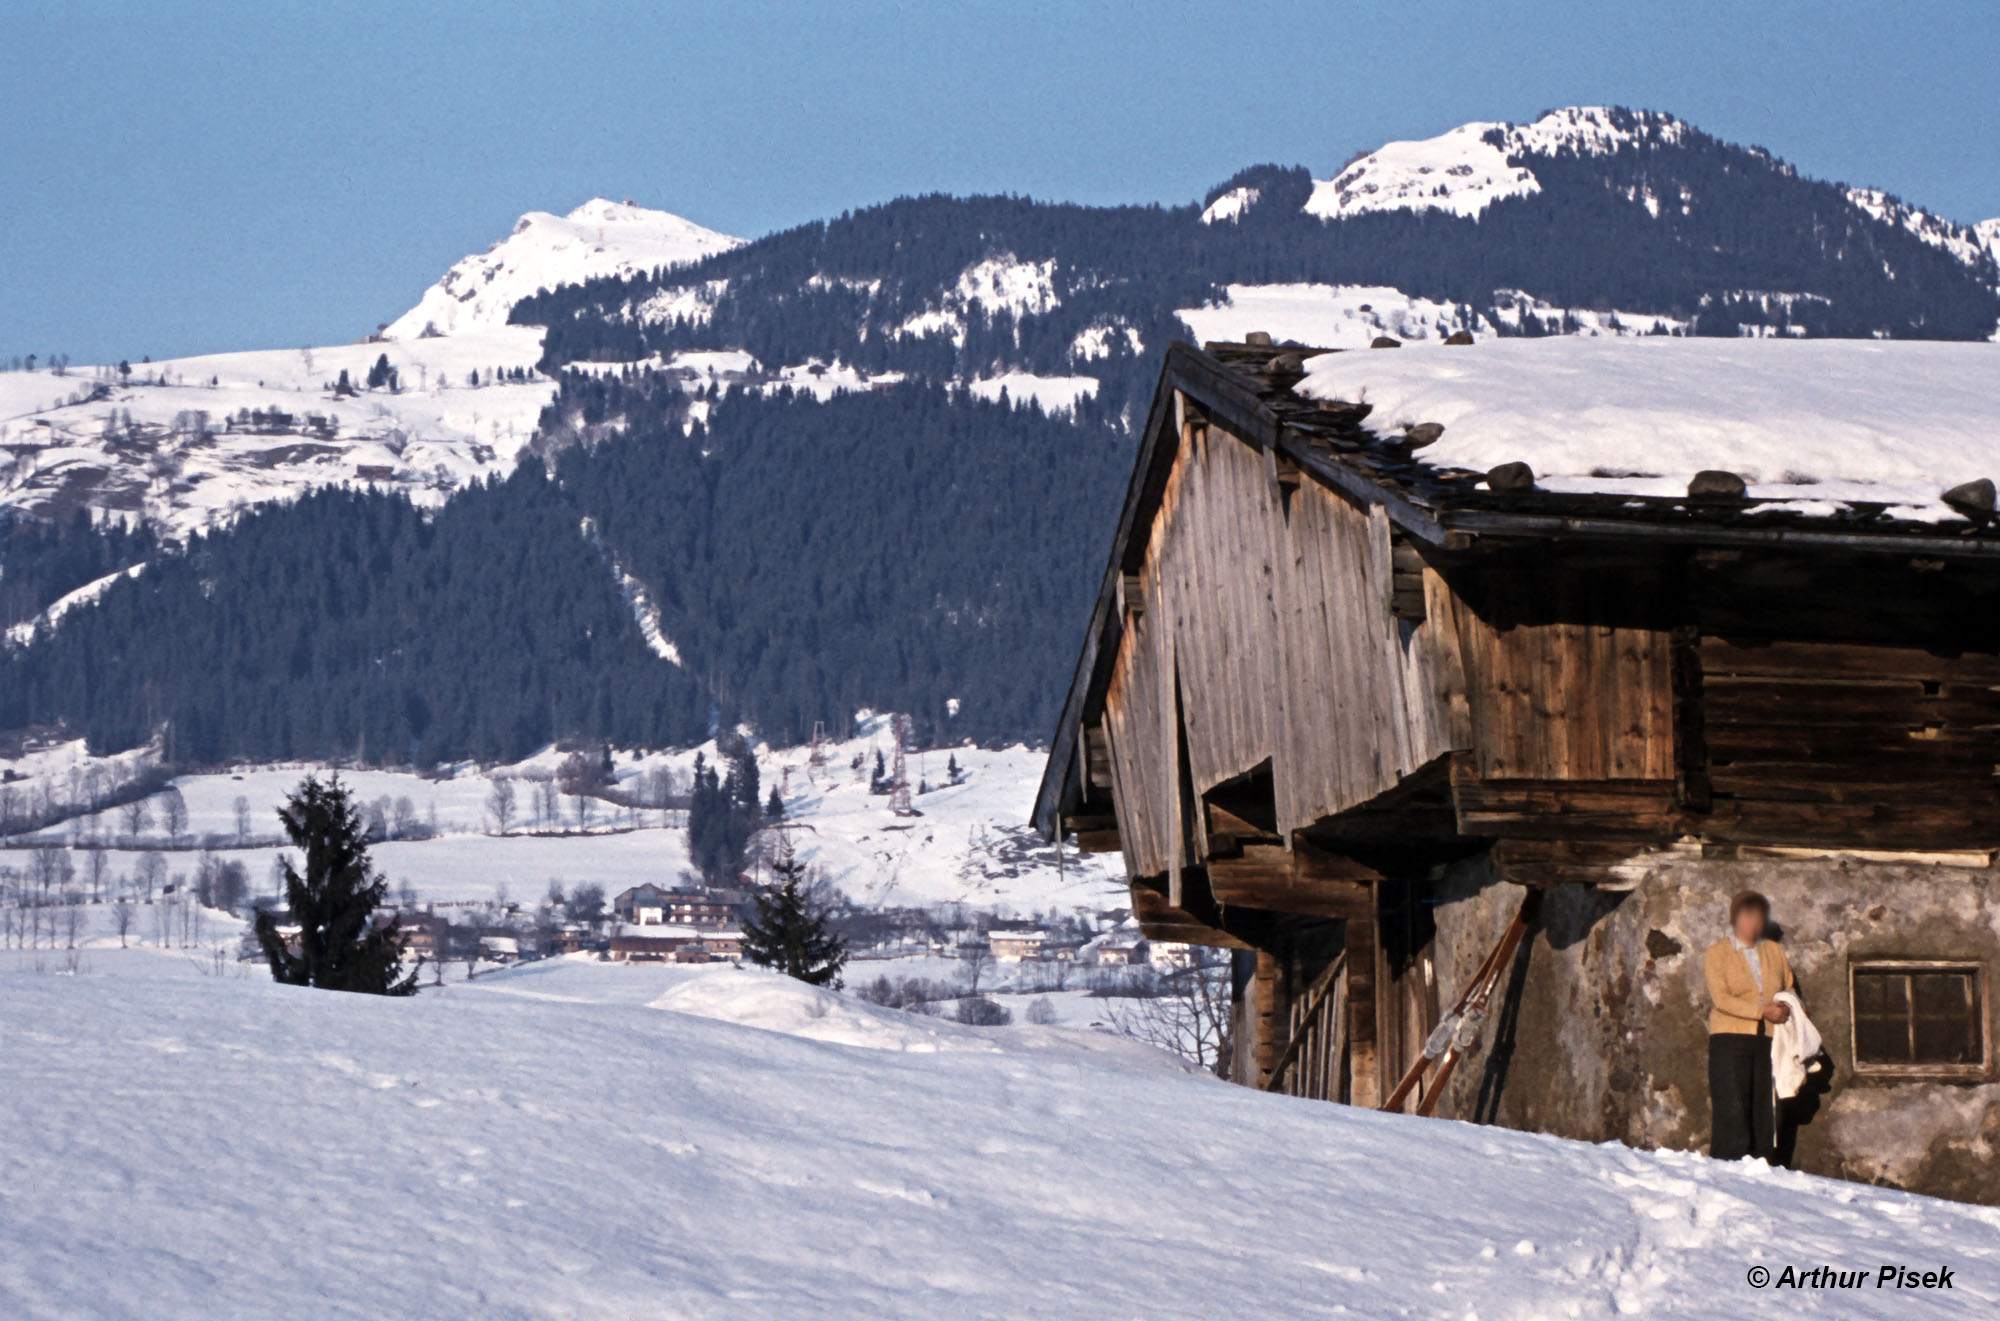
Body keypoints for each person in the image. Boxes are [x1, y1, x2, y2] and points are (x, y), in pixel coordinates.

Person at [1703, 889, 1795, 1162]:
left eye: (1759, 915)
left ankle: (1762, 1163)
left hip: (1768, 1038)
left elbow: (1788, 986)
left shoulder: (1774, 952)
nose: (1754, 921)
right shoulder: (1717, 953)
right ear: (1736, 918)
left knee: (1765, 1105)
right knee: (1733, 1104)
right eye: (1747, 915)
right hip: (1729, 1037)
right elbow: (1721, 999)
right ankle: (1729, 1165)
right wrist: (1762, 1011)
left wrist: (1786, 1007)